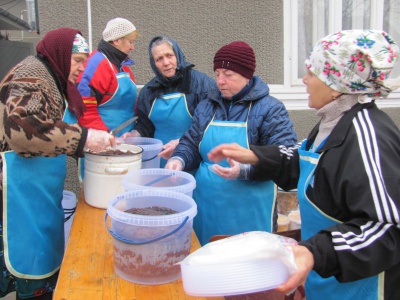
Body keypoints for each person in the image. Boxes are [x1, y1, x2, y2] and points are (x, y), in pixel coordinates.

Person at [208, 30, 400, 300]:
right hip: (325, 281)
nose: (304, 79)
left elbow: (388, 230)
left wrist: (314, 252)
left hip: (360, 290)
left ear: (335, 85)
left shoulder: (368, 137)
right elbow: (305, 161)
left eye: (312, 72)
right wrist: (256, 157)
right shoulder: (332, 123)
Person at [0, 28, 116, 300]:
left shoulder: (54, 79)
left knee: (43, 263)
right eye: (77, 60)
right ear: (60, 54)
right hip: (19, 194)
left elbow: (52, 129)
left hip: (41, 193)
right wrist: (84, 138)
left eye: (85, 61)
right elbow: (20, 130)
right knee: (27, 268)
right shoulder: (32, 76)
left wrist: (92, 144)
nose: (81, 68)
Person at [165, 41, 297, 245]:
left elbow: (284, 158)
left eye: (228, 74)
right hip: (207, 205)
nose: (220, 81)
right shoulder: (206, 106)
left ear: (246, 75)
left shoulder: (270, 109)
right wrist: (179, 159)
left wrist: (245, 170)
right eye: (217, 73)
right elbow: (191, 142)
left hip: (249, 210)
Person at [121, 35, 217, 167]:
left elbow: (209, 127)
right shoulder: (147, 92)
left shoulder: (202, 85)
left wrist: (182, 143)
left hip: (195, 162)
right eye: (159, 59)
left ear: (178, 55)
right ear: (153, 64)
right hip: (160, 163)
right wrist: (134, 135)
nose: (166, 62)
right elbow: (145, 127)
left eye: (169, 55)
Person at [77, 17, 139, 135]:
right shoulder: (95, 65)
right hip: (103, 146)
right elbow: (85, 110)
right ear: (116, 40)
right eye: (130, 42)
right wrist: (104, 139)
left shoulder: (123, 67)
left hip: (125, 141)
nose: (132, 47)